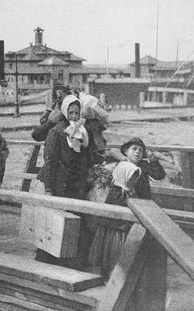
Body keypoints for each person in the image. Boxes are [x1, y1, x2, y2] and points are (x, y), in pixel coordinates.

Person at [34, 94, 93, 269]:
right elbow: (50, 162)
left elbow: (85, 158)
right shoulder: (56, 132)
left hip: (76, 183)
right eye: (71, 113)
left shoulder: (82, 132)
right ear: (65, 113)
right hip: (60, 183)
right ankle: (49, 261)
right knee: (55, 224)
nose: (74, 117)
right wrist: (49, 189)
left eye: (77, 113)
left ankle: (72, 262)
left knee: (76, 223)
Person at [88, 161, 141, 280]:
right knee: (112, 255)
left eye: (136, 177)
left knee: (114, 256)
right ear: (124, 176)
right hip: (114, 229)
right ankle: (109, 278)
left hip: (120, 228)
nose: (134, 180)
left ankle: (111, 277)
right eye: (132, 176)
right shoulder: (117, 192)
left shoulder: (127, 192)